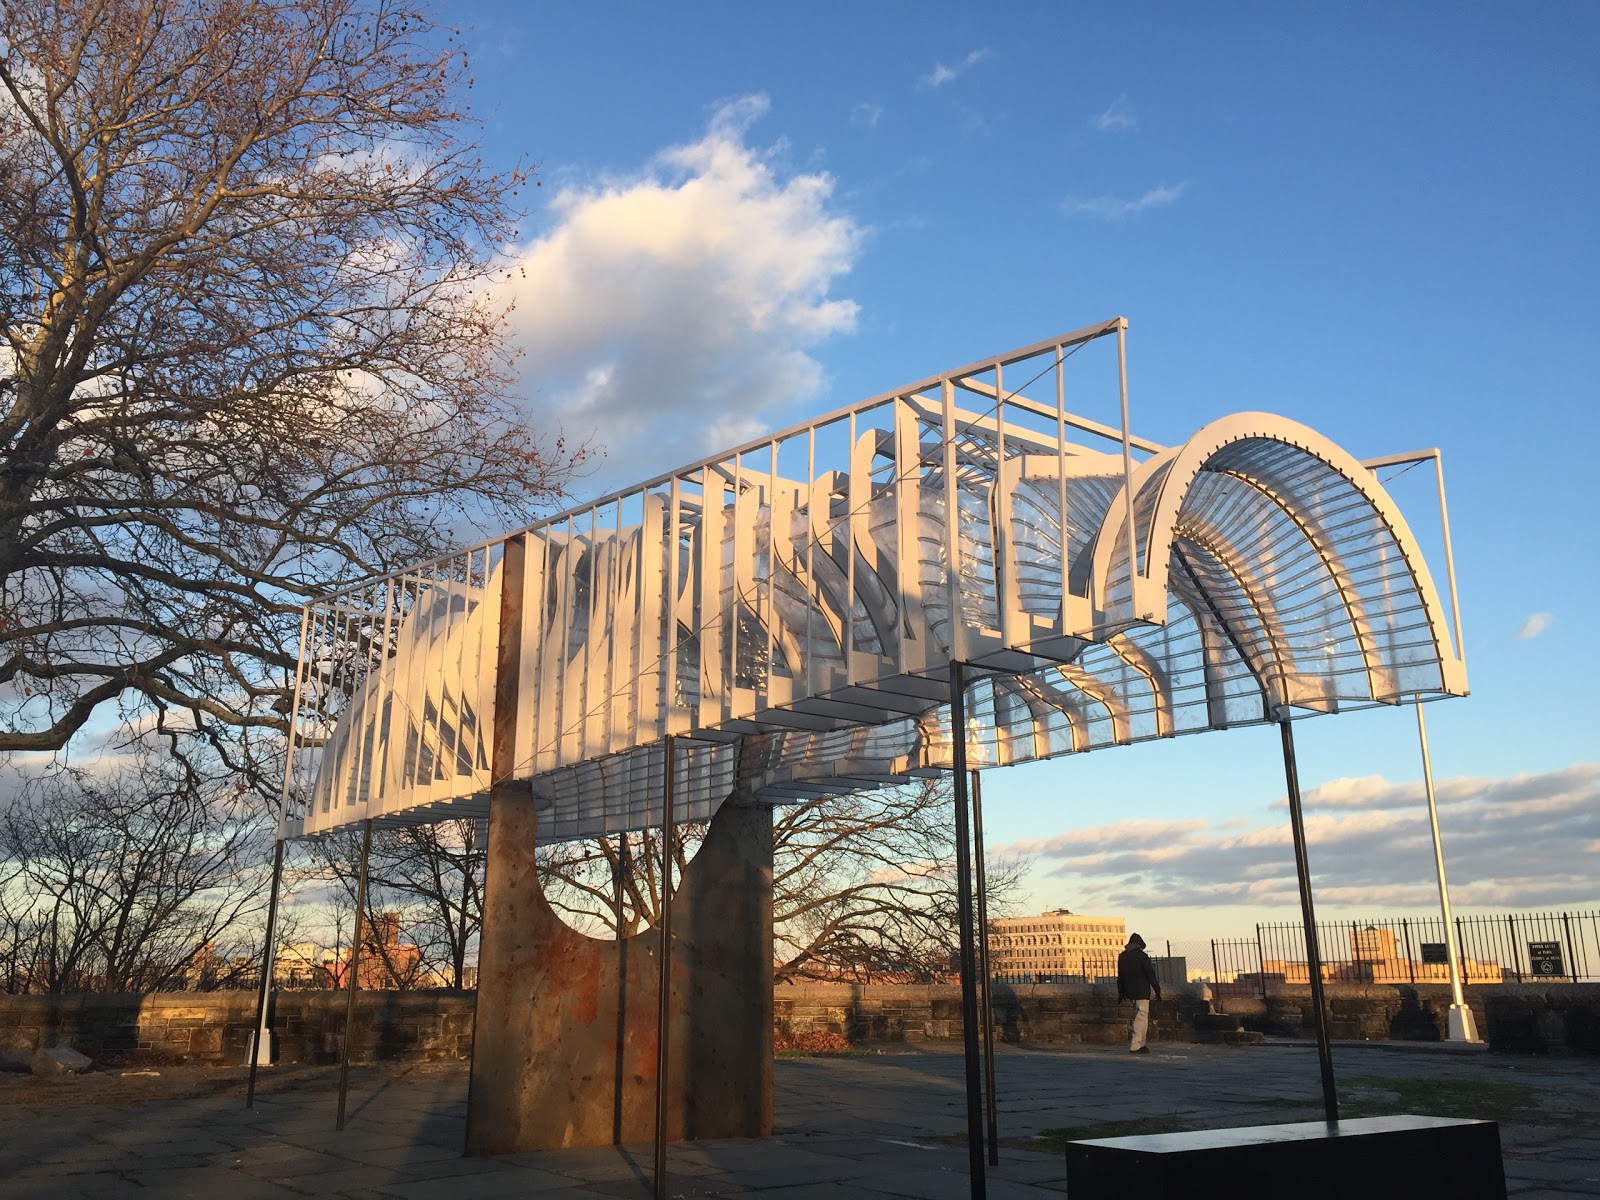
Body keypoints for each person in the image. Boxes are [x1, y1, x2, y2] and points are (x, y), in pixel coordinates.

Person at [1117, 932, 1162, 1054]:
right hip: (1142, 990)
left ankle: (1142, 1044)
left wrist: (1121, 992)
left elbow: (1120, 976)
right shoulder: (1142, 956)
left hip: (1130, 991)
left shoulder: (1123, 957)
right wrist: (1157, 990)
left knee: (1141, 1017)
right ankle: (1136, 1045)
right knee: (1141, 1017)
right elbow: (1150, 974)